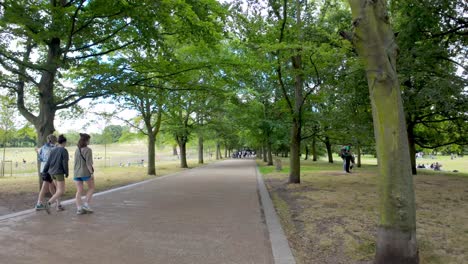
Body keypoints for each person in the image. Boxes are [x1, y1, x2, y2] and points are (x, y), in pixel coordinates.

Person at [35, 134, 63, 211]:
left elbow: (37, 150)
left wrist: (37, 150)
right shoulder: (55, 148)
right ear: (55, 140)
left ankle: (58, 203)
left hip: (43, 170)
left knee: (52, 187)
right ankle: (39, 203)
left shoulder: (43, 147)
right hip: (50, 170)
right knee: (47, 187)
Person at [41, 135, 69, 213]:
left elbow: (48, 162)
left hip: (51, 173)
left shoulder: (53, 150)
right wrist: (66, 172)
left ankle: (58, 206)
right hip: (59, 172)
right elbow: (65, 163)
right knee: (61, 191)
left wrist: (44, 171)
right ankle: (48, 204)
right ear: (64, 142)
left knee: (57, 190)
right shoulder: (64, 150)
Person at [74, 133, 95, 215]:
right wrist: (92, 173)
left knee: (79, 191)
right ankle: (86, 204)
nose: (89, 141)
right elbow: (88, 163)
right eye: (89, 140)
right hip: (85, 172)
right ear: (86, 141)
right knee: (91, 188)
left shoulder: (77, 150)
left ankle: (79, 208)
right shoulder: (88, 150)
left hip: (76, 173)